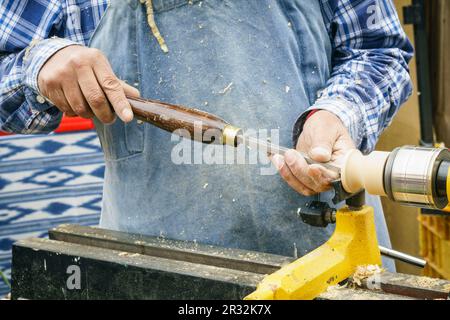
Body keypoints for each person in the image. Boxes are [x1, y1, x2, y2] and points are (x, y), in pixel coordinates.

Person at [0, 0, 413, 267]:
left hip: (329, 258)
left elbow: (380, 50)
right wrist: (41, 63)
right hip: (154, 267)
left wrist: (337, 114)